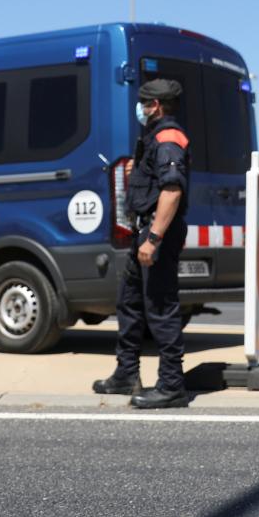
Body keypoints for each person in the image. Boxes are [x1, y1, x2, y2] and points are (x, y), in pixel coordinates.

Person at [93, 78, 191, 409]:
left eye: (144, 103)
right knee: (130, 303)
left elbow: (172, 191)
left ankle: (172, 385)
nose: (140, 108)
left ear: (156, 106)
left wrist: (152, 238)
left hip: (155, 234)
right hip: (143, 232)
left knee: (160, 309)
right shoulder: (155, 139)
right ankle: (126, 374)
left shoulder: (168, 138)